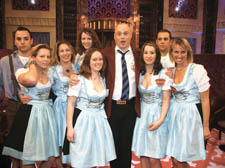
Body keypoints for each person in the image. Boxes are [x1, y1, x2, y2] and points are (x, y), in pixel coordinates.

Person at [2, 44, 59, 168]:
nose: (46, 59)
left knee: (51, 157)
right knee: (28, 157)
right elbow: (32, 80)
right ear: (33, 57)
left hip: (47, 115)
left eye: (48, 57)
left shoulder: (50, 72)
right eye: (42, 56)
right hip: (30, 115)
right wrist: (32, 65)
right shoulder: (22, 71)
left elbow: (57, 91)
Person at [66, 48, 116, 167]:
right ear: (88, 61)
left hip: (99, 122)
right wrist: (70, 128)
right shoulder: (78, 79)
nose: (98, 62)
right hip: (83, 122)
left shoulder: (104, 79)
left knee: (94, 159)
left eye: (100, 59)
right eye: (94, 59)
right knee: (81, 159)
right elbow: (70, 104)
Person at [166, 38, 210, 168]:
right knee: (173, 156)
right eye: (176, 52)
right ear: (171, 53)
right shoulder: (171, 71)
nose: (179, 55)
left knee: (180, 159)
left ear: (188, 53)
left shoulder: (197, 69)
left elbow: (205, 100)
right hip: (174, 116)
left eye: (183, 52)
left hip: (190, 118)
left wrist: (206, 126)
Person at [101, 21, 140, 168]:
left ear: (131, 35)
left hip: (131, 107)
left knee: (126, 145)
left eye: (125, 33)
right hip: (112, 107)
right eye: (119, 33)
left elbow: (152, 68)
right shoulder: (105, 54)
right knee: (113, 145)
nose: (122, 37)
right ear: (114, 36)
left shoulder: (138, 54)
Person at [132, 41, 171, 168]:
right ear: (142, 55)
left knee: (154, 158)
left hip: (157, 114)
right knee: (143, 155)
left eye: (152, 53)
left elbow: (166, 99)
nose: (149, 55)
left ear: (157, 55)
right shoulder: (139, 74)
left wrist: (160, 120)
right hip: (142, 115)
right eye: (146, 52)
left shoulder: (163, 73)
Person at [0, 26, 33, 168]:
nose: (22, 42)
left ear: (32, 40)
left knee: (30, 146)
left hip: (34, 107)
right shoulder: (5, 62)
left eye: (26, 39)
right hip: (14, 106)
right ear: (14, 41)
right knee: (14, 147)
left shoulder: (40, 59)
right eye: (19, 39)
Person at [50, 41, 76, 167]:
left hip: (75, 107)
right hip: (59, 108)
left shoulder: (78, 67)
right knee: (60, 139)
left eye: (67, 50)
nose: (65, 53)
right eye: (62, 51)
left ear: (71, 51)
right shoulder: (53, 70)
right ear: (58, 53)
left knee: (74, 140)